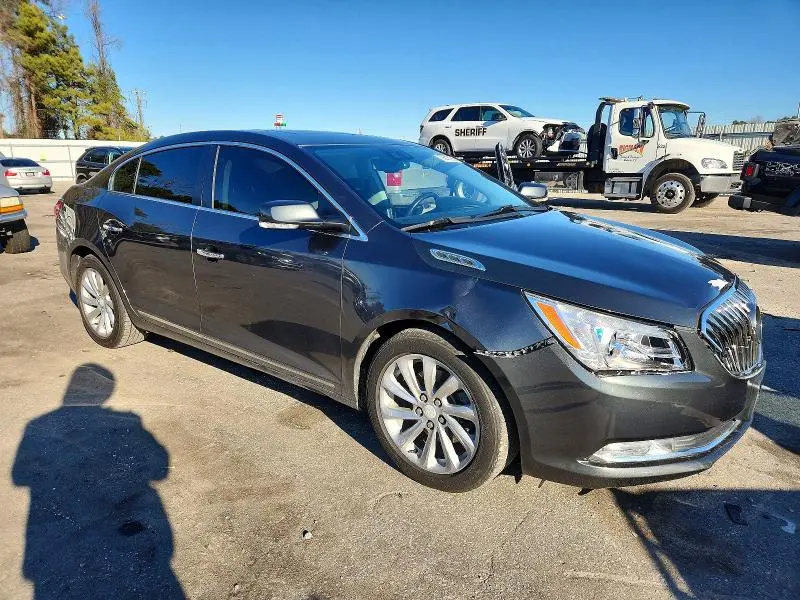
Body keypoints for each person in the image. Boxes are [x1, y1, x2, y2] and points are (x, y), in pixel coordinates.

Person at [12, 363, 184, 599]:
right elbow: (160, 467)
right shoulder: (129, 420)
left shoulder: (36, 426)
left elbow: (19, 475)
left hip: (51, 556)